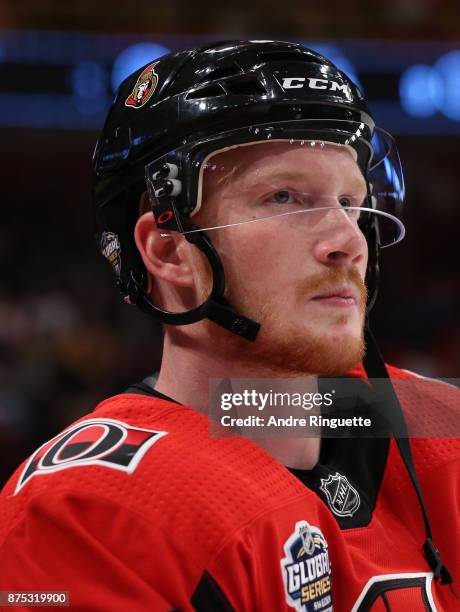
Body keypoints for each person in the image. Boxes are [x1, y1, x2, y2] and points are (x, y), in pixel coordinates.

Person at [0, 40, 458, 611]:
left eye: (350, 201)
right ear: (168, 251)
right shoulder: (88, 513)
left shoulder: (434, 431)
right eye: (285, 197)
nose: (347, 240)